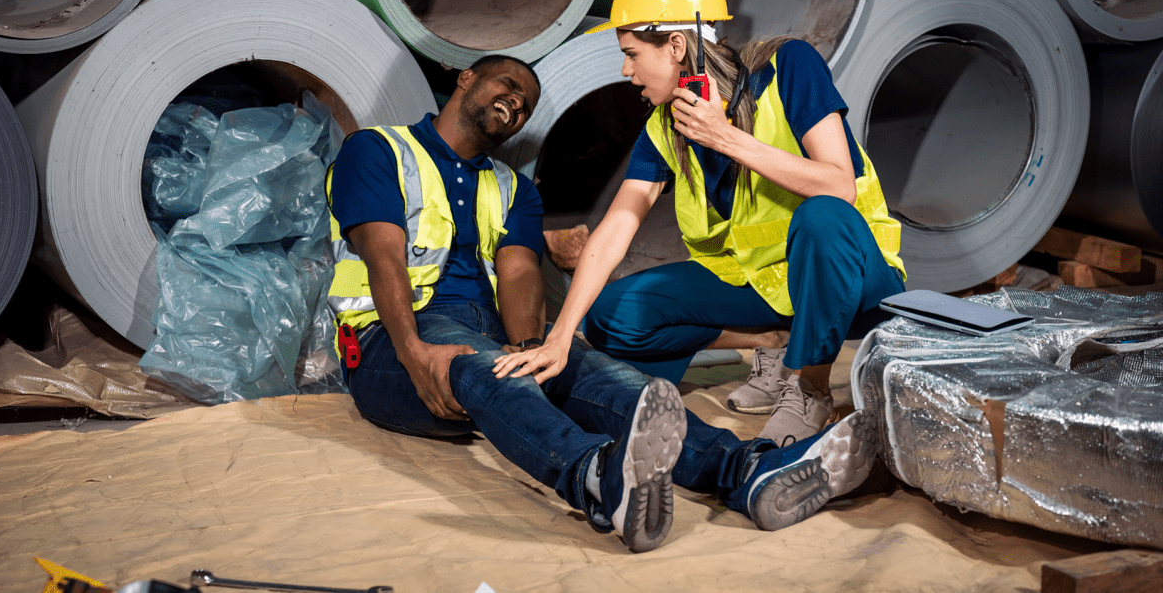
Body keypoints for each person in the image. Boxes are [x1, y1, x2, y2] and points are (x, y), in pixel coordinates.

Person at [327, 54, 879, 553]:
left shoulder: (514, 188)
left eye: (527, 104)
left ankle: (747, 472)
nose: (517, 101)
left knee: (595, 374)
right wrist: (415, 352)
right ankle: (597, 477)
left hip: (486, 333)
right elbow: (385, 260)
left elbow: (519, 272)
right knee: (482, 365)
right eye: (507, 83)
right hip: (390, 341)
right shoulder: (378, 150)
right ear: (465, 77)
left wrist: (534, 351)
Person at [492, 0, 907, 445]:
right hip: (763, 290)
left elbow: (838, 186)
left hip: (857, 280)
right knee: (610, 313)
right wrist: (560, 336)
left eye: (630, 54)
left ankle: (808, 387)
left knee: (822, 216)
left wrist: (726, 138)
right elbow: (616, 228)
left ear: (675, 45)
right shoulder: (663, 129)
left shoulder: (789, 67)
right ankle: (773, 344)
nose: (626, 72)